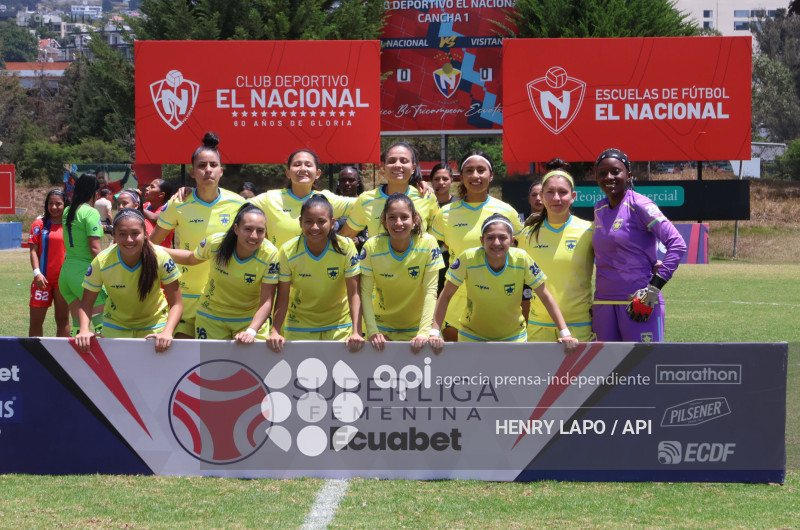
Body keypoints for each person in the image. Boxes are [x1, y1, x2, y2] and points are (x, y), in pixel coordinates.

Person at [429, 214, 578, 352]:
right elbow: (446, 295)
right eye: (490, 238)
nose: (496, 243)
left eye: (502, 237)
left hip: (513, 338)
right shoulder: (468, 258)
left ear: (512, 241)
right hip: (472, 336)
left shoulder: (522, 259)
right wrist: (434, 333)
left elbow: (545, 296)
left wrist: (565, 333)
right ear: (482, 240)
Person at [150, 132, 246, 338]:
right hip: (185, 294)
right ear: (192, 172)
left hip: (223, 298)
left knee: (216, 365)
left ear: (221, 171)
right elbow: (152, 245)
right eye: (202, 166)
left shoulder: (239, 205)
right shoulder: (178, 203)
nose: (208, 170)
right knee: (183, 360)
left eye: (213, 165)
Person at [592, 148, 686, 342]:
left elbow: (677, 244)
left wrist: (653, 288)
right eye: (602, 173)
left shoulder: (640, 205)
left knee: (643, 368)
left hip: (639, 302)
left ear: (629, 175)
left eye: (615, 171)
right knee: (608, 370)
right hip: (604, 304)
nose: (608, 177)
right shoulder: (599, 208)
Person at [430, 151, 523, 341]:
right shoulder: (445, 214)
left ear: (491, 175)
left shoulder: (507, 211)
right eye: (469, 170)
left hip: (498, 304)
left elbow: (522, 250)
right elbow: (429, 249)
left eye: (481, 170)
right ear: (461, 177)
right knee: (459, 367)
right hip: (455, 303)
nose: (475, 176)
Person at [165, 205, 279, 342]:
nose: (254, 236)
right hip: (211, 318)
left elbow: (267, 301)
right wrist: (155, 249)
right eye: (248, 229)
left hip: (250, 321)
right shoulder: (215, 243)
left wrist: (251, 331)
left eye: (260, 231)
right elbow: (190, 258)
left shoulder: (270, 254)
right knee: (212, 364)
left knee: (250, 364)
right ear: (236, 229)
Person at [76, 209, 182, 353]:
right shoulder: (101, 262)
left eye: (135, 233)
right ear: (113, 235)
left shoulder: (161, 257)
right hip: (115, 325)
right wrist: (83, 330)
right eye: (122, 234)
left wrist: (167, 332)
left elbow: (177, 303)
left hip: (155, 325)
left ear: (145, 234)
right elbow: (85, 305)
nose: (129, 240)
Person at [268, 195, 363, 353]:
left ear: (332, 223)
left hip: (339, 326)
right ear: (300, 222)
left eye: (321, 221)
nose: (314, 227)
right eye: (308, 221)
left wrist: (356, 331)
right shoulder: (287, 251)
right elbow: (282, 296)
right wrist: (275, 330)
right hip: (300, 326)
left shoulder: (346, 247)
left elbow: (354, 293)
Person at [360, 193, 444, 353]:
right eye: (392, 217)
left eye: (404, 217)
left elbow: (431, 292)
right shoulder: (371, 247)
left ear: (415, 220)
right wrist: (373, 332)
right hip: (380, 329)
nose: (398, 223)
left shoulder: (428, 243)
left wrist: (424, 333)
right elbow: (365, 293)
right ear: (384, 222)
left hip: (418, 329)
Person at [519, 169, 595, 343]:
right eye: (550, 192)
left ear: (573, 195)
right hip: (538, 325)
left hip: (579, 325)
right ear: (542, 196)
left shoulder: (589, 230)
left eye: (563, 192)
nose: (556, 198)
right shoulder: (528, 234)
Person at [250, 149, 354, 249]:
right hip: (280, 266)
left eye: (308, 165)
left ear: (318, 173)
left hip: (317, 265)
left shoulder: (327, 200)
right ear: (288, 173)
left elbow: (363, 203)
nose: (303, 169)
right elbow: (238, 205)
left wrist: (344, 235)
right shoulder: (270, 199)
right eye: (297, 164)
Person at [340, 141, 437, 239]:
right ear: (384, 167)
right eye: (391, 161)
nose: (397, 165)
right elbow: (344, 237)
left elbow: (440, 235)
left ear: (413, 168)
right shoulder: (366, 200)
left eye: (404, 161)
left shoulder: (427, 197)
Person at [58, 173, 106, 337]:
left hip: (66, 274)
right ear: (94, 192)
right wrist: (108, 270)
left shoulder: (67, 211)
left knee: (78, 328)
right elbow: (94, 249)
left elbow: (77, 231)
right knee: (102, 328)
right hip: (84, 273)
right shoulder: (91, 212)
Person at [28, 189, 69, 337]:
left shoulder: (71, 225)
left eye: (58, 204)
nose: (54, 207)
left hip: (63, 281)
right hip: (42, 281)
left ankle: (62, 358)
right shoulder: (39, 224)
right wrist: (37, 273)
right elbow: (33, 250)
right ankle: (34, 357)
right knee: (36, 321)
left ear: (65, 205)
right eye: (50, 203)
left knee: (63, 320)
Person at [333, 166, 368, 250]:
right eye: (343, 180)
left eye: (351, 180)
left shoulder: (366, 204)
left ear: (358, 182)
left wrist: (360, 240)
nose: (347, 183)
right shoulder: (333, 203)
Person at [142, 179, 175, 247]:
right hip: (146, 250)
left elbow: (154, 218)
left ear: (161, 194)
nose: (147, 188)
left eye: (152, 187)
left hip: (160, 254)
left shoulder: (168, 209)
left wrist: (137, 207)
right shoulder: (146, 206)